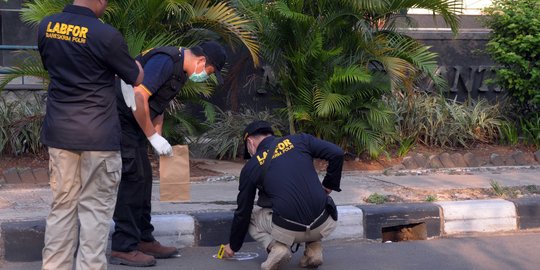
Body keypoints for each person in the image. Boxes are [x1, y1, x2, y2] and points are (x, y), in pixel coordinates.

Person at [37, 0, 144, 269]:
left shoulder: (46, 26)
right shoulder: (105, 35)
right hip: (99, 137)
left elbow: (51, 66)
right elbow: (136, 77)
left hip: (60, 134)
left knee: (62, 208)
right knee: (95, 211)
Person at [110, 41, 228, 267]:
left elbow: (158, 105)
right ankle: (122, 247)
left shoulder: (180, 72)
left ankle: (143, 239)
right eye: (208, 72)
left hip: (135, 123)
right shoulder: (165, 62)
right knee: (133, 181)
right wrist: (151, 137)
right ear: (202, 61)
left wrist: (157, 137)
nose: (204, 76)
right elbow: (139, 97)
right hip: (121, 120)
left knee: (143, 181)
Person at [223, 120, 344, 270]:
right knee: (311, 200)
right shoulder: (300, 140)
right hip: (325, 223)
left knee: (252, 216)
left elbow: (243, 211)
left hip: (288, 229)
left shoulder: (252, 166)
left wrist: (233, 245)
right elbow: (337, 153)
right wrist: (329, 185)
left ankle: (277, 248)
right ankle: (314, 251)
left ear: (250, 142)